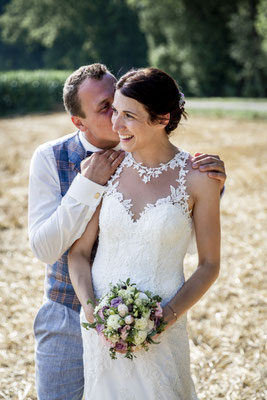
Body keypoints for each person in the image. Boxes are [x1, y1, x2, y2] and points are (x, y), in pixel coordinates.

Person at [28, 63, 226, 399]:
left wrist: (167, 316)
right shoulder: (78, 163)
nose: (116, 122)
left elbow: (203, 252)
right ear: (79, 122)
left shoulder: (187, 172)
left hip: (160, 323)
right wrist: (92, 310)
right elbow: (61, 252)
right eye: (107, 110)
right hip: (79, 318)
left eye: (122, 111)